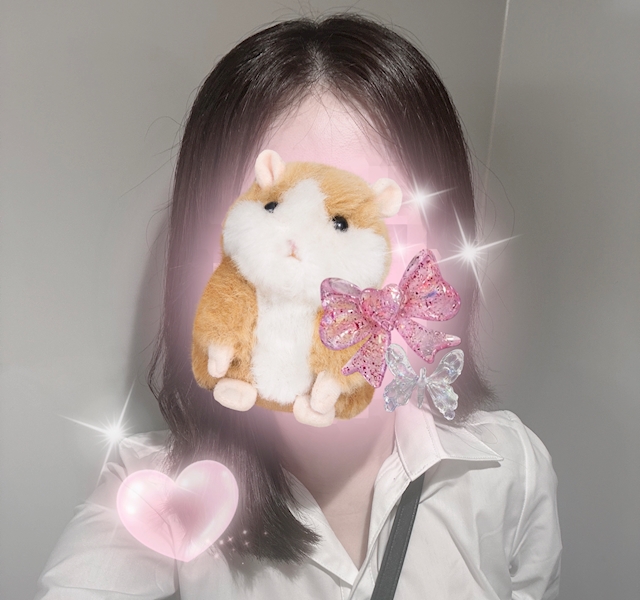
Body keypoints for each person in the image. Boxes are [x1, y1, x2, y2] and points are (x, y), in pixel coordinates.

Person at [35, 14, 561, 599]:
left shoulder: (510, 468)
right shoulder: (155, 495)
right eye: (276, 205)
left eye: (350, 219)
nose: (315, 275)